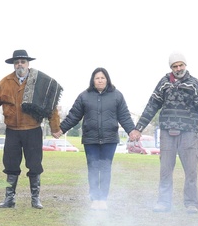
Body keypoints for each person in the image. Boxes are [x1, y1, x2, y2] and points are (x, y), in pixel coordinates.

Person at [0, 50, 62, 209]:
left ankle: (35, 199)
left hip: (33, 129)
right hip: (12, 130)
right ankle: (9, 199)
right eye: (17, 62)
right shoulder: (4, 83)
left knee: (34, 164)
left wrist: (55, 128)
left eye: (23, 61)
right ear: (14, 64)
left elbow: (51, 107)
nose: (20, 64)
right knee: (11, 164)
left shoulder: (40, 82)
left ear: (28, 64)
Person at [132, 52, 198, 214]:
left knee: (191, 170)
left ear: (185, 65)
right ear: (171, 67)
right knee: (165, 169)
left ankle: (191, 203)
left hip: (188, 133)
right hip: (166, 132)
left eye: (180, 65)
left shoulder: (194, 84)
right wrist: (139, 128)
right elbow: (152, 106)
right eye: (174, 66)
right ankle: (164, 202)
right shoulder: (164, 83)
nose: (178, 68)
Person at [58, 67, 139, 210]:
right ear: (93, 80)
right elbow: (74, 116)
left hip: (110, 139)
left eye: (102, 78)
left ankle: (103, 199)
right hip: (91, 140)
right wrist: (61, 129)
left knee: (106, 168)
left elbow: (124, 116)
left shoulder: (117, 95)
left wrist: (132, 130)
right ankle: (95, 199)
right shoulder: (84, 96)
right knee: (93, 168)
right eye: (97, 78)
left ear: (107, 79)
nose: (100, 80)